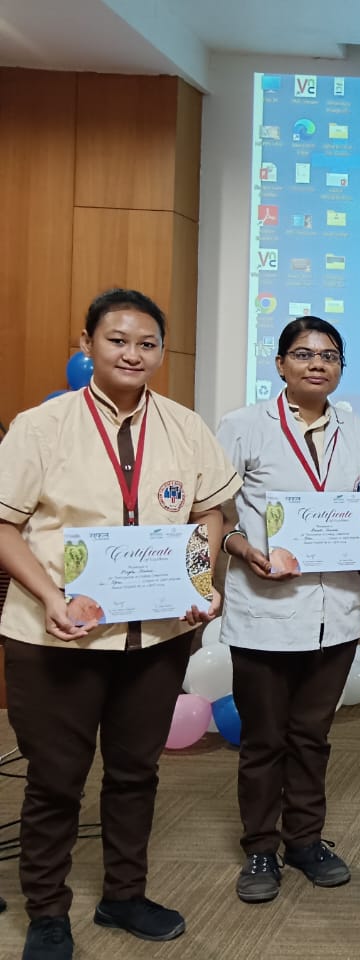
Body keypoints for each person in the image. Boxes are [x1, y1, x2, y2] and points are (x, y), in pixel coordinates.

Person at [0, 289, 241, 960]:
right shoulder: (41, 427)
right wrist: (51, 596)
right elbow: (4, 525)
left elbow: (213, 512)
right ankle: (48, 910)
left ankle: (124, 894)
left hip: (155, 640)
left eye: (146, 343)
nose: (132, 353)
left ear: (161, 352)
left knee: (136, 771)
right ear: (87, 345)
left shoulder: (186, 427)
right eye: (117, 340)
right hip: (58, 638)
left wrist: (201, 576)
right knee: (56, 776)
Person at [216, 317, 360, 904]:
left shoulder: (357, 429)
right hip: (265, 606)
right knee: (264, 738)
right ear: (280, 363)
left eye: (330, 355)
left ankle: (306, 840)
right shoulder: (241, 427)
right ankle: (261, 844)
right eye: (304, 354)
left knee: (313, 734)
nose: (318, 364)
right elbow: (214, 513)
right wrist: (241, 549)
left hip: (333, 608)